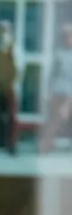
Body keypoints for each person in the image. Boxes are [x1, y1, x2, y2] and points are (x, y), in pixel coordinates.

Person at [40, 23, 72, 153]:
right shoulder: (59, 53)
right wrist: (49, 92)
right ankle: (47, 144)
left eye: (69, 36)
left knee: (67, 118)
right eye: (65, 36)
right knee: (54, 119)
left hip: (70, 92)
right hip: (58, 91)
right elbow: (53, 74)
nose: (67, 39)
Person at [0, 20, 21, 153]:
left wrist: (13, 83)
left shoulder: (15, 48)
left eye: (5, 30)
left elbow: (19, 68)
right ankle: (0, 141)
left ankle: (12, 143)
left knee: (12, 116)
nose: (3, 33)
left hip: (11, 86)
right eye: (1, 30)